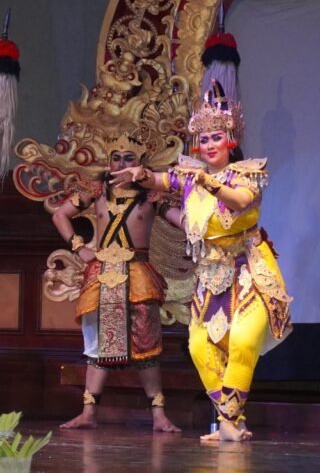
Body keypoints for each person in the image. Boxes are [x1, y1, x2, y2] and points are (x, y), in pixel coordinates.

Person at [113, 88, 292, 442]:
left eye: (216, 137)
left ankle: (228, 422)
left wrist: (210, 183)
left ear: (230, 140)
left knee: (242, 340)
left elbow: (239, 201)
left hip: (248, 271)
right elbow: (160, 180)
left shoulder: (247, 174)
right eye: (204, 138)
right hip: (210, 275)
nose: (209, 145)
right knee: (198, 347)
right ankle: (232, 422)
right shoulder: (189, 176)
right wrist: (140, 174)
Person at [51, 134, 181, 432]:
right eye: (116, 158)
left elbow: (183, 220)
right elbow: (60, 215)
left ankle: (159, 415)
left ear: (140, 163)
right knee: (97, 345)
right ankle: (88, 413)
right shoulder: (96, 190)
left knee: (147, 345)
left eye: (129, 158)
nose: (121, 164)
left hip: (138, 276)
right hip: (100, 276)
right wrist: (79, 247)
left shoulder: (152, 195)